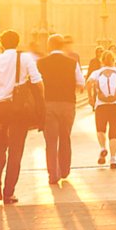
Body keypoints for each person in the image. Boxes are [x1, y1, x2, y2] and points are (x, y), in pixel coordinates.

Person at [0, 30, 43, 205]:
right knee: (16, 151)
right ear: (18, 43)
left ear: (1, 44)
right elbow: (37, 82)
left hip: (0, 108)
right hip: (20, 109)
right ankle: (9, 192)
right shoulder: (25, 58)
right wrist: (40, 104)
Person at [40, 34, 82, 185]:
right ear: (62, 46)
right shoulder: (72, 62)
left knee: (50, 141)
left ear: (49, 45)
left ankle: (53, 174)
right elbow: (80, 82)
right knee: (65, 137)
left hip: (48, 105)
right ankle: (64, 170)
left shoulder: (41, 63)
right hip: (67, 104)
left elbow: (36, 83)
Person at [87, 49, 116, 167]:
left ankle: (102, 148)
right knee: (113, 133)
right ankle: (113, 159)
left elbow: (88, 82)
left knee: (100, 130)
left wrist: (90, 97)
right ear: (114, 60)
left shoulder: (97, 72)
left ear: (102, 60)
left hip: (101, 105)